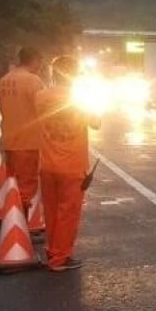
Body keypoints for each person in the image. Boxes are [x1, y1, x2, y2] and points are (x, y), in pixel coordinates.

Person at [36, 55, 100, 272]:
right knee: (68, 213)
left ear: (53, 74)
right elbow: (97, 123)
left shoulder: (41, 96)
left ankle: (52, 251)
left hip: (47, 164)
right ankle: (59, 259)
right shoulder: (80, 98)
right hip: (72, 166)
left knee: (52, 212)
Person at [0, 47, 45, 216]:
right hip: (28, 141)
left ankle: (12, 222)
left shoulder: (4, 80)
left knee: (13, 184)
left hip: (9, 140)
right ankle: (20, 228)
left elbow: (2, 109)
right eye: (40, 61)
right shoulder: (33, 81)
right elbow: (42, 109)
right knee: (27, 186)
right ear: (34, 60)